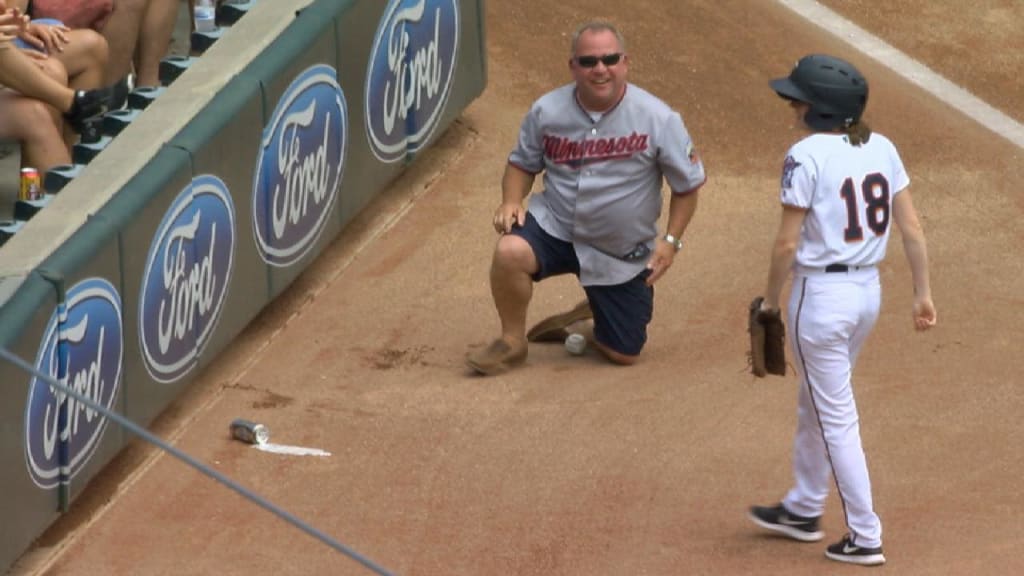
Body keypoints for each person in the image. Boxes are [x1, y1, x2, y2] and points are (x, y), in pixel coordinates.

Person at [746, 54, 936, 567]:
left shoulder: (805, 155)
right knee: (818, 401)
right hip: (866, 296)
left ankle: (865, 535)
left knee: (836, 418)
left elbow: (787, 246)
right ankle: (805, 507)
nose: (793, 107)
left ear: (818, 109)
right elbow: (912, 229)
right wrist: (922, 293)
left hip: (821, 301)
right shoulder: (882, 146)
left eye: (799, 100)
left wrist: (769, 300)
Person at [464, 21, 706, 375]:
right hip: (557, 228)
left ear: (626, 62)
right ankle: (512, 342)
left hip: (619, 247)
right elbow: (521, 163)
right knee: (510, 251)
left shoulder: (658, 119)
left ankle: (587, 321)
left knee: (624, 353)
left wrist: (670, 242)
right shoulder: (547, 111)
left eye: (610, 59)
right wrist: (511, 200)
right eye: (589, 61)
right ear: (573, 66)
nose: (600, 69)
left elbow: (687, 187)